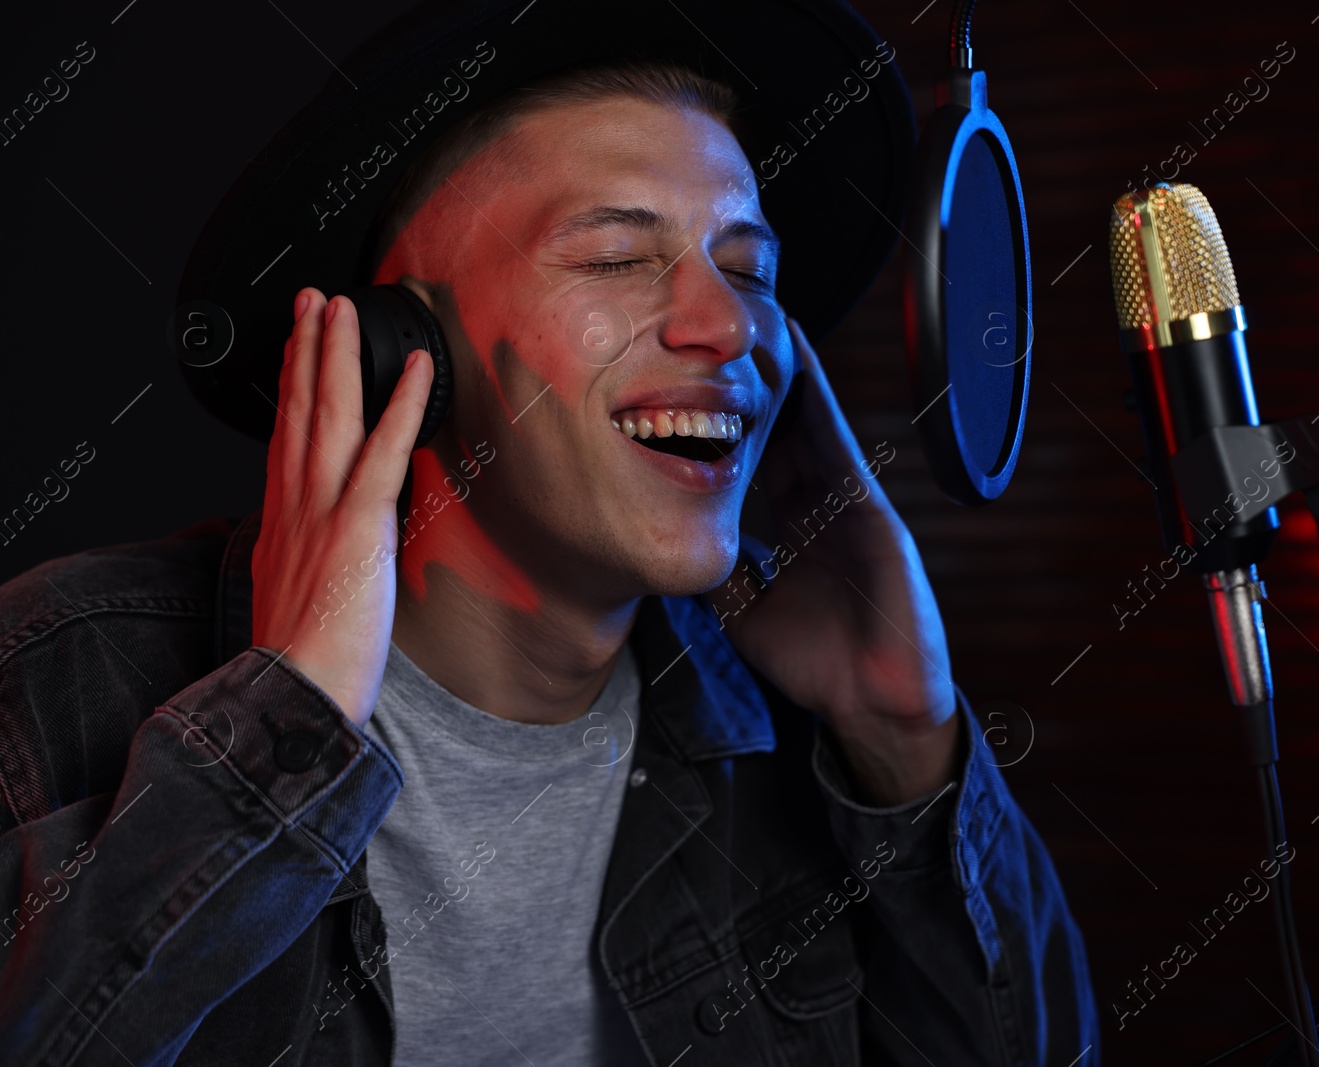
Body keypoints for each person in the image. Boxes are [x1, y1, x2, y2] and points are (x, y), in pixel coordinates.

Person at [0, 13, 1097, 1066]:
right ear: (400, 354)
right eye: (618, 256)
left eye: (751, 272)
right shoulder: (51, 679)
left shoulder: (803, 734)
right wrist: (285, 725)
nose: (727, 326)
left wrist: (907, 736)